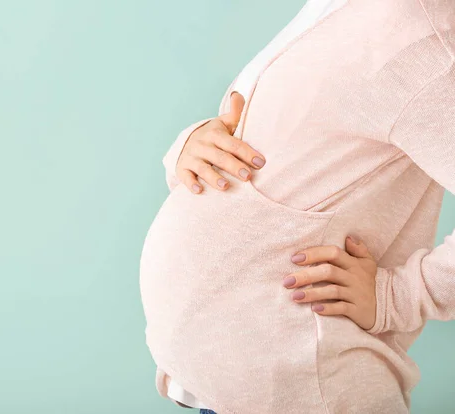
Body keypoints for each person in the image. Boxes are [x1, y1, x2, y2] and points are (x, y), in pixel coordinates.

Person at [139, 0, 455, 413]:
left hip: (302, 387)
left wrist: (399, 295)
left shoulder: (424, 42)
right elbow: (282, 142)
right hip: (229, 381)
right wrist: (192, 148)